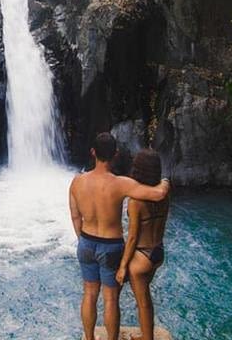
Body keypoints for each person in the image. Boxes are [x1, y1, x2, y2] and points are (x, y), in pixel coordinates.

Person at [69, 133, 170, 340]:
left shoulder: (77, 182)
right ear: (115, 155)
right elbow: (158, 194)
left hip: (86, 241)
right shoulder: (121, 184)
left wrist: (83, 240)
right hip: (111, 245)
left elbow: (75, 216)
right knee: (110, 299)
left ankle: (89, 338)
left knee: (89, 293)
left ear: (93, 152)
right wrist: (166, 181)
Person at [115, 149, 170, 340]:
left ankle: (147, 338)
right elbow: (164, 183)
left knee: (143, 302)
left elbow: (132, 238)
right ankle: (146, 335)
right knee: (146, 299)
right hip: (157, 251)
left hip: (141, 256)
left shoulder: (135, 201)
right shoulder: (164, 192)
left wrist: (123, 266)